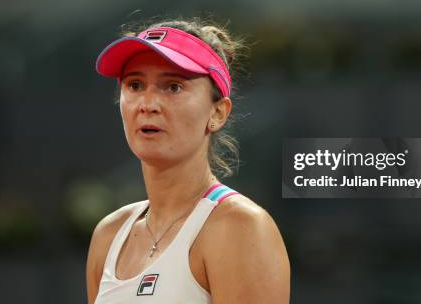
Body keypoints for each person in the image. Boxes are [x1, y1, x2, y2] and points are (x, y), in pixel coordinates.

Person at [86, 19, 290, 303]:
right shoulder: (108, 236)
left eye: (173, 87)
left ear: (217, 112)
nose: (148, 104)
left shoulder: (241, 228)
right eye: (135, 85)